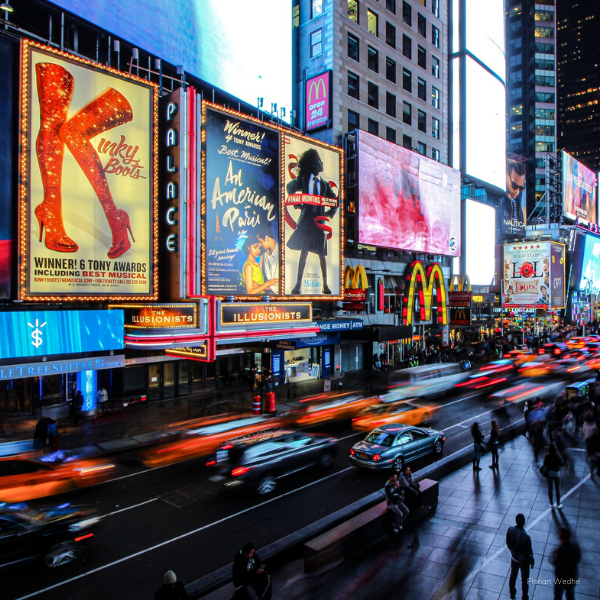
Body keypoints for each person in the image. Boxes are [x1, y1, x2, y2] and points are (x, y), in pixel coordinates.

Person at [286, 147, 338, 295]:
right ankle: (298, 285)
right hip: (307, 221)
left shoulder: (324, 184)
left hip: (319, 222)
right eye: (318, 160)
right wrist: (297, 203)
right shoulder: (303, 179)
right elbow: (290, 187)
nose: (321, 163)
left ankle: (325, 285)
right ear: (312, 163)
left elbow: (335, 200)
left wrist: (329, 214)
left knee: (322, 254)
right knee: (304, 251)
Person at [506, 513, 535, 600]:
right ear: (524, 523)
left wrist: (512, 550)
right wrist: (531, 562)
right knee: (525, 580)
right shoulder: (526, 537)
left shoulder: (510, 530)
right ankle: (525, 596)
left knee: (513, 576)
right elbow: (529, 551)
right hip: (524, 561)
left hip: (514, 558)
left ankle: (512, 593)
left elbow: (508, 542)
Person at [551, 528, 581, 600]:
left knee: (558, 595)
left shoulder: (560, 550)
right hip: (572, 576)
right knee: (570, 595)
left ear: (562, 537)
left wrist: (553, 554)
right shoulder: (575, 546)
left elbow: (555, 562)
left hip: (561, 578)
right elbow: (578, 559)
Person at [255, 223, 279, 294]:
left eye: (260, 242)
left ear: (266, 238)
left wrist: (259, 287)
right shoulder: (264, 254)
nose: (259, 245)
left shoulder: (281, 255)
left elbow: (277, 287)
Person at [543, 443, 564, 509]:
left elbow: (544, 464)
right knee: (557, 489)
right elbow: (561, 464)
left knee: (550, 489)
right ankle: (558, 504)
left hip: (549, 473)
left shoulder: (547, 456)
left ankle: (551, 503)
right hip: (556, 473)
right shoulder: (557, 456)